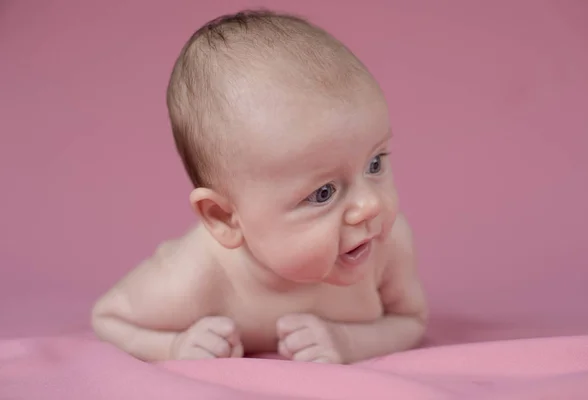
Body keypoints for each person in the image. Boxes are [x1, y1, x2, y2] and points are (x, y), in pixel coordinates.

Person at [91, 9, 428, 364]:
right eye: (323, 193)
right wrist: (175, 347)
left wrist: (348, 341)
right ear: (224, 217)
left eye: (375, 164)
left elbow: (411, 320)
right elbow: (109, 318)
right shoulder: (196, 275)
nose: (370, 205)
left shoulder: (386, 245)